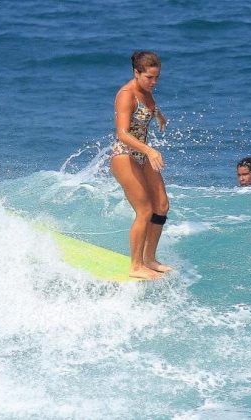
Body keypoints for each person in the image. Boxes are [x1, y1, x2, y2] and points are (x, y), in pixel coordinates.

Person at [111, 51, 171, 279]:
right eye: (149, 78)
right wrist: (149, 150)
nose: (154, 83)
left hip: (141, 156)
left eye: (157, 78)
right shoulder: (126, 95)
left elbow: (148, 107)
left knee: (162, 206)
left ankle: (149, 259)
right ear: (136, 73)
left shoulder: (146, 92)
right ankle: (135, 265)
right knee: (144, 210)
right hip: (124, 156)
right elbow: (123, 133)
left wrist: (159, 115)